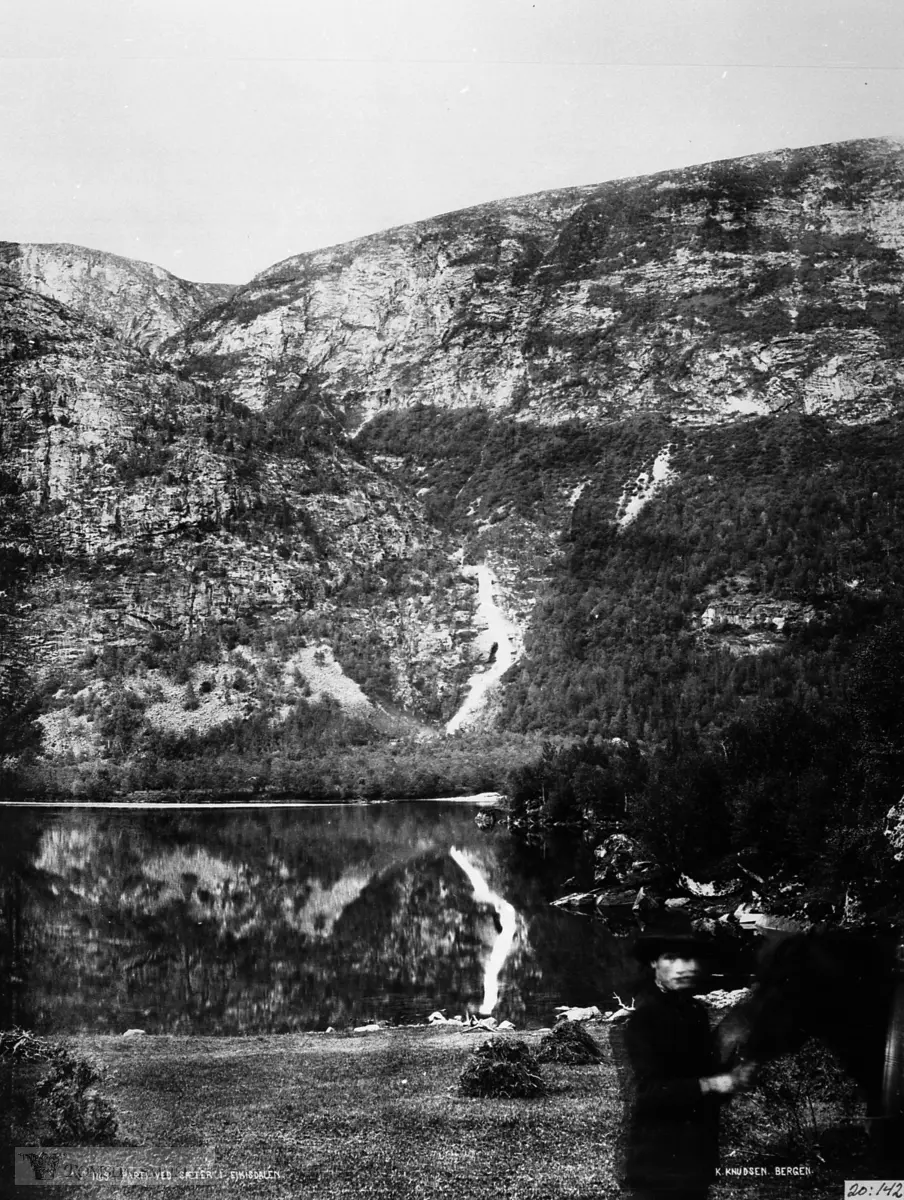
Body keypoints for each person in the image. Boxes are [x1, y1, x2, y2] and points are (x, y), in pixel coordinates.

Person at [621, 924, 754, 1200]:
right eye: (672, 958)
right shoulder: (644, 1020)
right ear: (654, 962)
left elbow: (706, 1078)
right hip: (658, 1160)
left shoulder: (695, 1012)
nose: (684, 967)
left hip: (697, 1153)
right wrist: (714, 1083)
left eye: (691, 959)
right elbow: (649, 1093)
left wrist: (735, 1072)